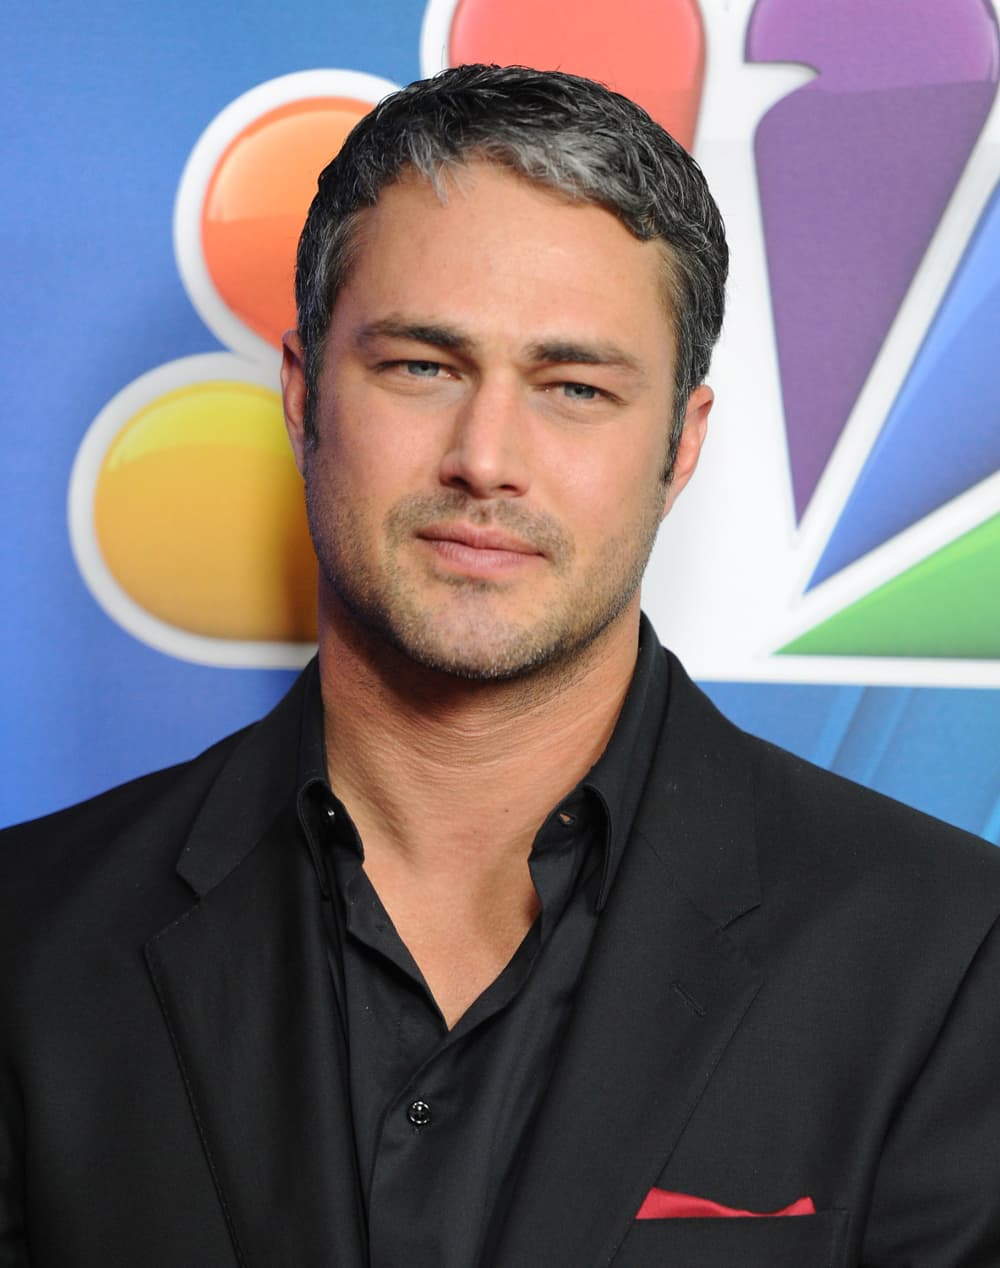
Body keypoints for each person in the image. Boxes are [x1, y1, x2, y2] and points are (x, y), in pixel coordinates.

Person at [2, 63, 999, 1268]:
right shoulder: (31, 937)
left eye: (574, 386)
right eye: (421, 366)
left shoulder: (948, 955)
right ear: (303, 394)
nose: (484, 457)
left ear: (679, 444)